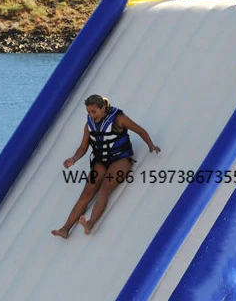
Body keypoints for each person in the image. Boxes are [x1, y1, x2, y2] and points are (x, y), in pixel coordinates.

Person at [52, 94, 160, 238]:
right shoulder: (89, 124)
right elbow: (83, 147)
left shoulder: (119, 118)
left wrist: (151, 145)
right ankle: (65, 229)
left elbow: (140, 131)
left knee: (104, 189)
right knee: (86, 193)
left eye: (94, 111)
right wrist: (74, 159)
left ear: (103, 108)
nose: (91, 115)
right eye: (88, 112)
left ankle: (90, 223)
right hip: (101, 161)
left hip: (120, 159)